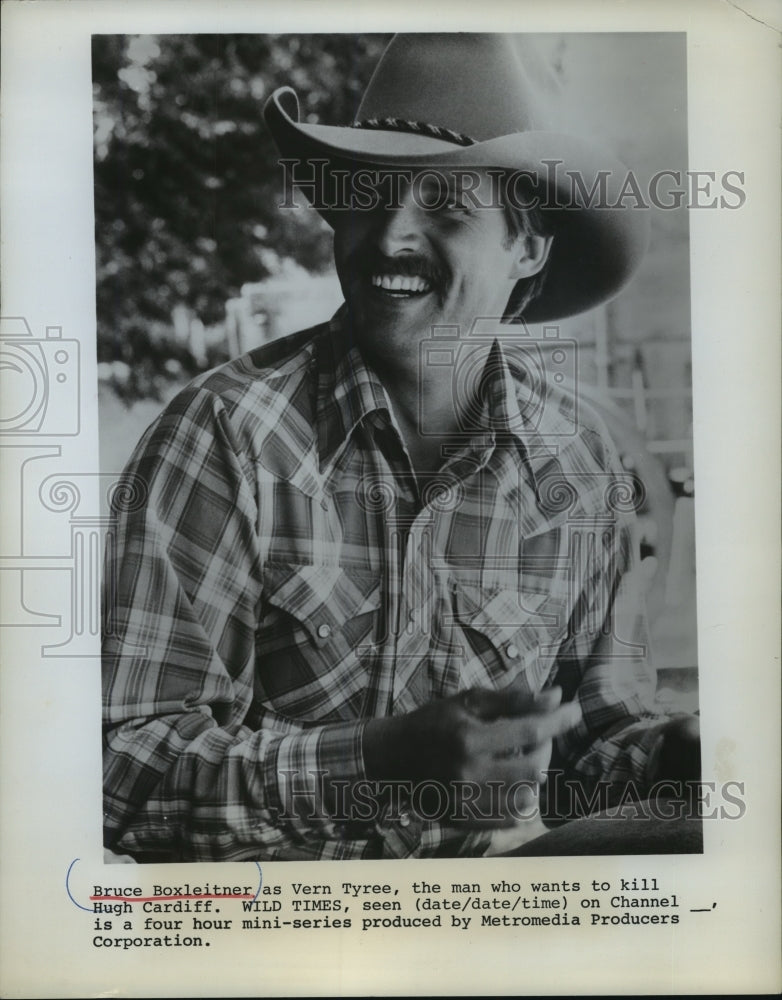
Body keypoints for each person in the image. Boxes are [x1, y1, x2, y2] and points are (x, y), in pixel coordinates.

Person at [102, 33, 700, 862]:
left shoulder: (581, 462)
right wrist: (374, 765)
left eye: (447, 209)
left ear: (528, 248)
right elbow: (121, 773)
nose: (389, 238)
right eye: (368, 197)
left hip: (480, 935)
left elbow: (581, 749)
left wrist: (673, 759)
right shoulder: (224, 439)